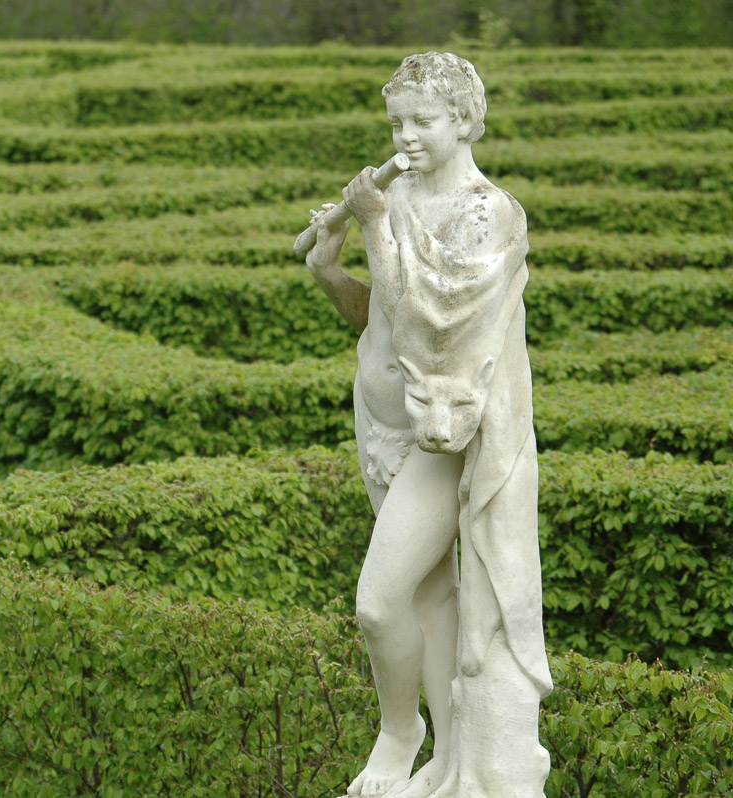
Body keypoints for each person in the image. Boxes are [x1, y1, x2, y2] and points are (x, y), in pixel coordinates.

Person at [302, 53, 552, 798]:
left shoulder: (488, 214)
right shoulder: (399, 195)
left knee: (378, 603)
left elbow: (436, 330)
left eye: (422, 122)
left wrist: (375, 224)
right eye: (396, 122)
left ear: (465, 121)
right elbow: (380, 318)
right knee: (429, 599)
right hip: (378, 422)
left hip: (437, 437)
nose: (404, 137)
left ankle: (398, 731)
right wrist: (327, 272)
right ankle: (450, 761)